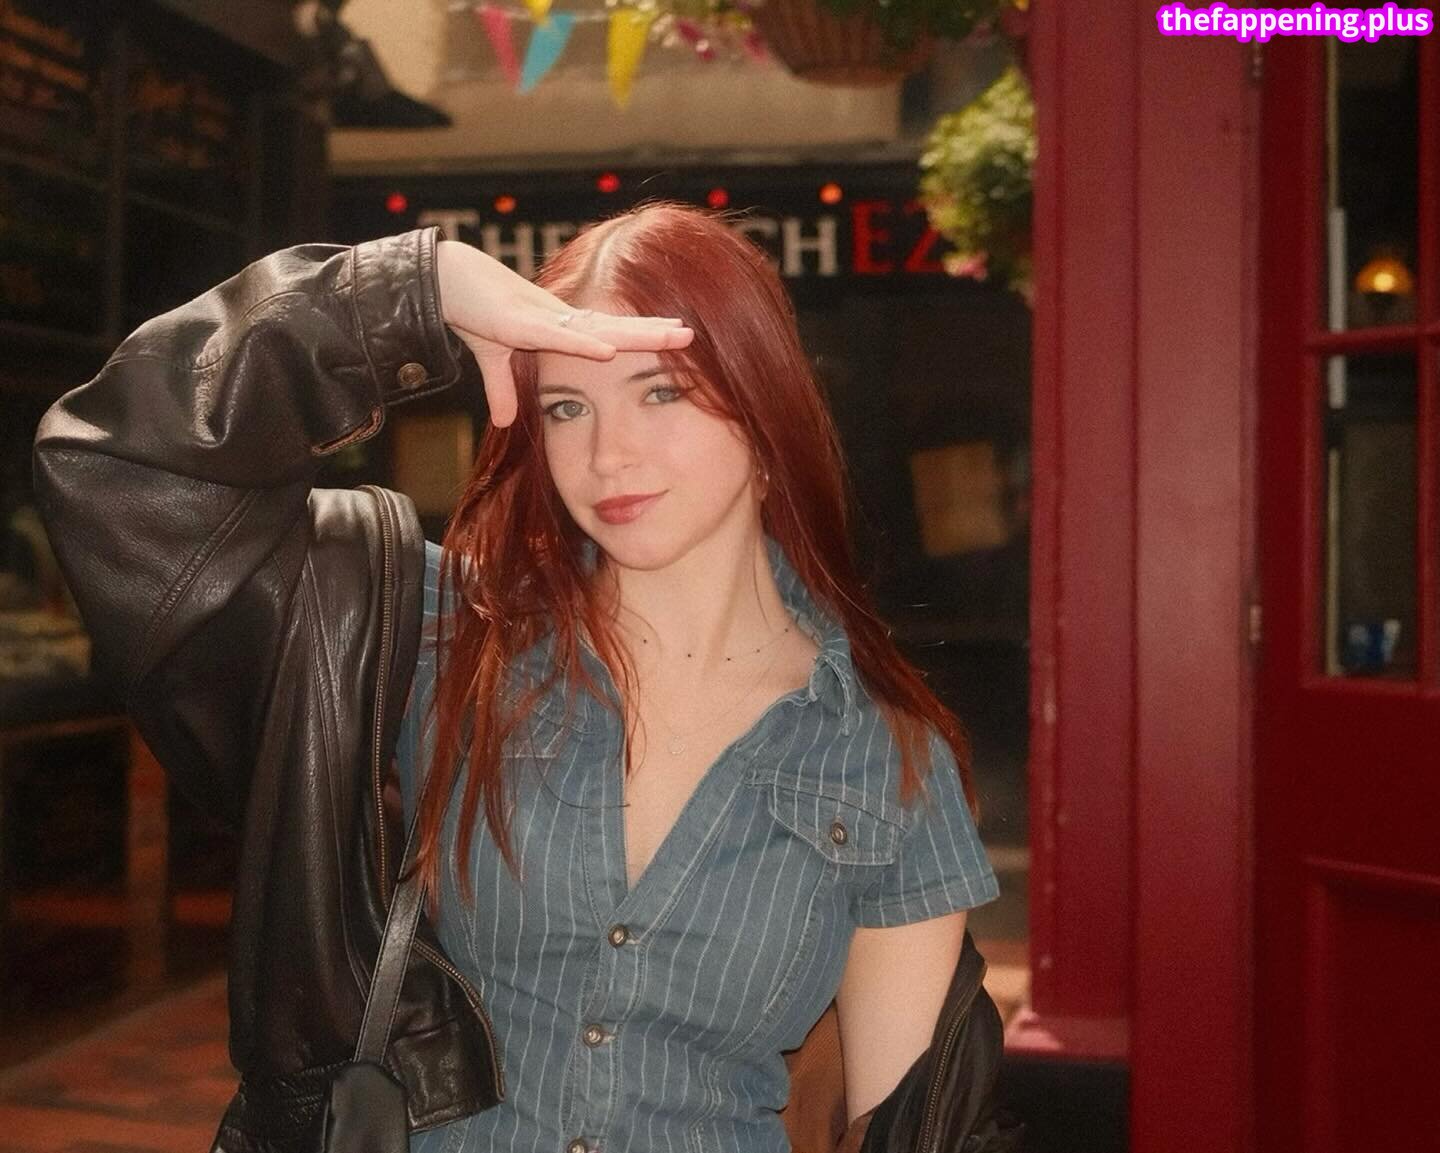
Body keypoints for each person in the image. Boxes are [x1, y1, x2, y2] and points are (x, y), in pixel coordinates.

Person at [33, 202, 1002, 1153]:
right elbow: (112, 472)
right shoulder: (439, 636)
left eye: (660, 392)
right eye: (566, 407)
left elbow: (912, 1128)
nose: (609, 453)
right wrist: (413, 289)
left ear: (764, 405)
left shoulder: (884, 754)